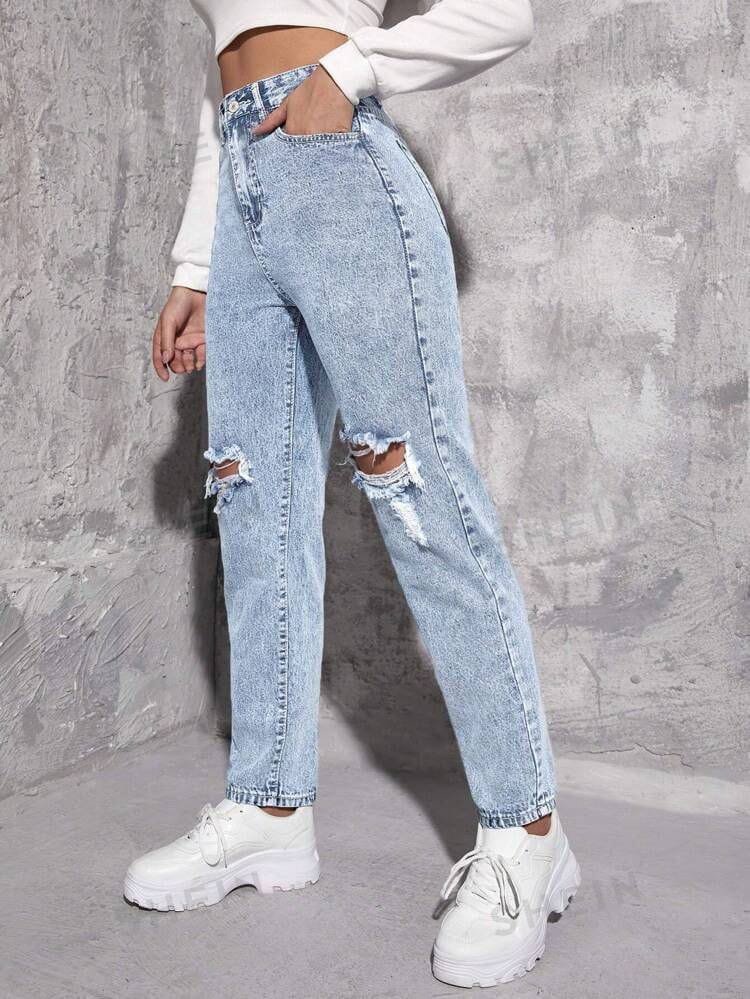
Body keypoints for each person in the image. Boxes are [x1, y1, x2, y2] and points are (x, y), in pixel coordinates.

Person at [124, 0, 580, 987]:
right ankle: (270, 809)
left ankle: (528, 835)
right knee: (253, 505)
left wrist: (353, 70)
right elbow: (223, 76)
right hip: (243, 181)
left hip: (339, 172)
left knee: (418, 493)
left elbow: (499, 14)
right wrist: (196, 263)